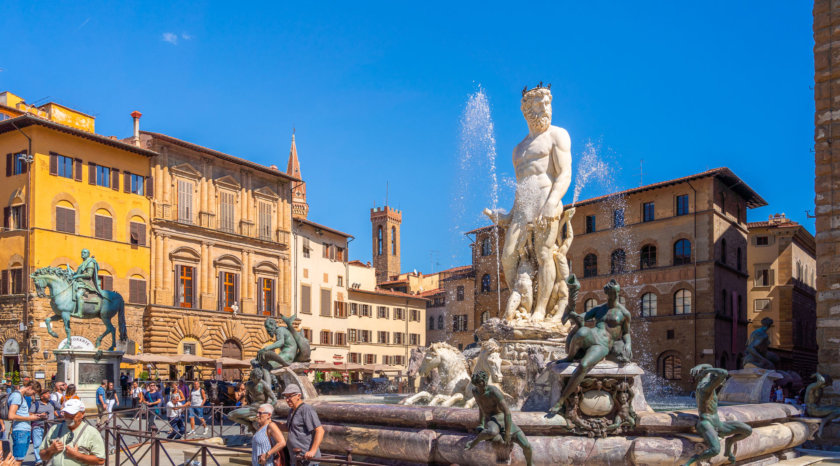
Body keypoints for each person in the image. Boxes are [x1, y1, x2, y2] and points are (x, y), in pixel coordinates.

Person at [483, 84, 572, 321]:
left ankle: (541, 309)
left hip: (547, 201)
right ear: (527, 109)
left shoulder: (558, 135)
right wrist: (508, 216)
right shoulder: (518, 149)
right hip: (523, 209)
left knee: (544, 255)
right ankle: (523, 302)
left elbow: (564, 174)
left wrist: (552, 202)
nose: (545, 109)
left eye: (547, 104)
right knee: (508, 256)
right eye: (539, 104)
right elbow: (521, 187)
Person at [683, 364, 752, 465]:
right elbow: (723, 372)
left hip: (718, 423)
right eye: (719, 379)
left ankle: (729, 443)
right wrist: (706, 371)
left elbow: (709, 366)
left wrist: (700, 367)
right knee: (715, 450)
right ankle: (691, 460)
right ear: (712, 379)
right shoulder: (705, 388)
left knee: (747, 430)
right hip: (706, 423)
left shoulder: (708, 386)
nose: (722, 382)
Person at [464, 371, 532, 466]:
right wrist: (481, 423)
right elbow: (481, 406)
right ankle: (473, 442)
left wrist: (507, 434)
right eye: (478, 383)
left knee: (527, 446)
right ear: (474, 383)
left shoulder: (493, 391)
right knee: (492, 432)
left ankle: (530, 464)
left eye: (482, 382)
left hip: (502, 418)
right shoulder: (475, 391)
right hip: (492, 419)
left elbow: (507, 412)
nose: (481, 385)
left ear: (486, 381)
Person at [38, 398, 105, 465]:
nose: (69, 417)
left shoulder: (92, 433)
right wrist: (51, 450)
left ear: (82, 414)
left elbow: (100, 460)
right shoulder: (55, 429)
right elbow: (42, 456)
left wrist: (77, 455)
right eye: (66, 413)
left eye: (72, 414)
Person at [7, 380, 47, 466]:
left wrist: (37, 415)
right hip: (20, 430)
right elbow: (11, 415)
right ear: (29, 388)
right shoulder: (17, 396)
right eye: (33, 393)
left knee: (20, 458)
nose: (33, 395)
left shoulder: (21, 396)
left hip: (24, 430)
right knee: (18, 459)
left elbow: (21, 413)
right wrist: (29, 418)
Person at [282, 384, 323, 464]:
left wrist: (312, 451)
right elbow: (288, 427)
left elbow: (320, 430)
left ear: (299, 396)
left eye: (289, 396)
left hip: (306, 460)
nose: (287, 400)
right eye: (286, 397)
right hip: (296, 458)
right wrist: (271, 423)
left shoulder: (306, 409)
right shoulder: (292, 410)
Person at [68, 248, 103, 318]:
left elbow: (89, 275)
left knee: (78, 294)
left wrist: (77, 275)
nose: (82, 254)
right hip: (79, 282)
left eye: (84, 252)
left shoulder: (90, 262)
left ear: (88, 254)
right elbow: (79, 273)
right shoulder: (83, 263)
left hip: (86, 284)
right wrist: (72, 273)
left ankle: (79, 313)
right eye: (82, 252)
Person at [31, 388, 57, 466]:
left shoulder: (52, 403)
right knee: (37, 444)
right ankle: (39, 461)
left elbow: (61, 409)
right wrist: (39, 415)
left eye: (49, 393)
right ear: (42, 396)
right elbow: (29, 414)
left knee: (49, 444)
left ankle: (49, 459)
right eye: (47, 393)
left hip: (50, 427)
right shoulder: (36, 404)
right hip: (38, 427)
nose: (49, 395)